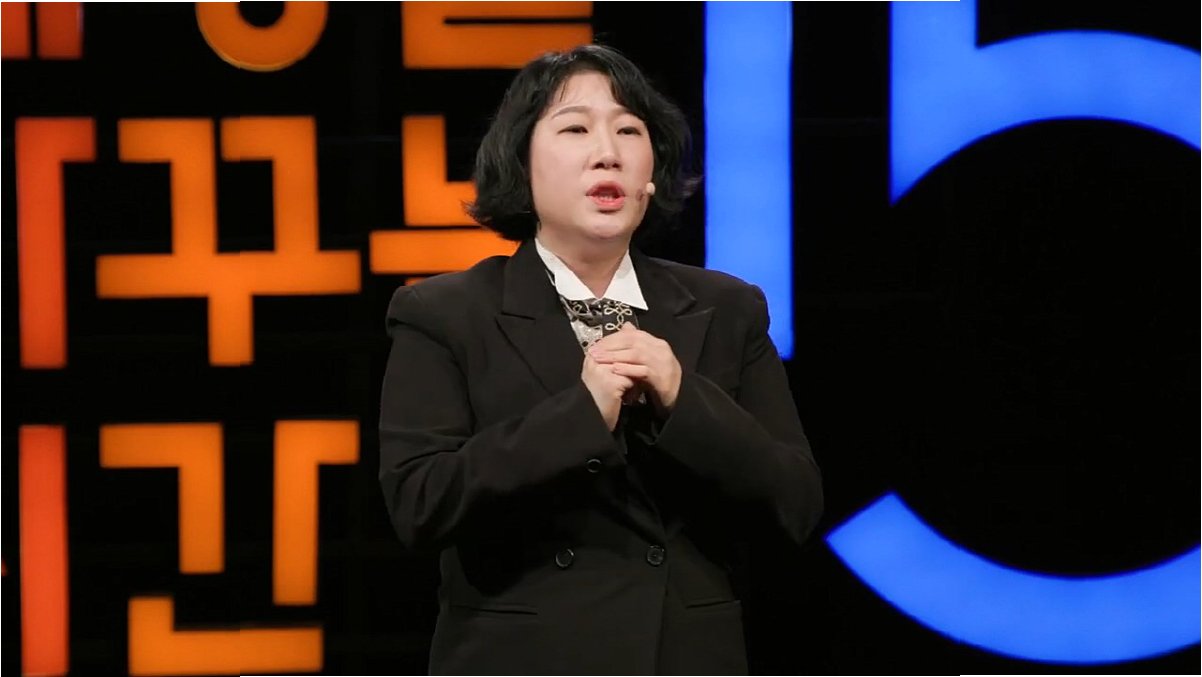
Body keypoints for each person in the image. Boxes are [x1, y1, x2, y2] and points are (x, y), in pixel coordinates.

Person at [379, 44, 822, 675]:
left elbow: (795, 504)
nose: (607, 152)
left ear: (651, 172)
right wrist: (581, 416)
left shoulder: (727, 308)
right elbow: (420, 504)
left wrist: (682, 399)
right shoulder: (445, 313)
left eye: (629, 131)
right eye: (575, 129)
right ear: (522, 163)